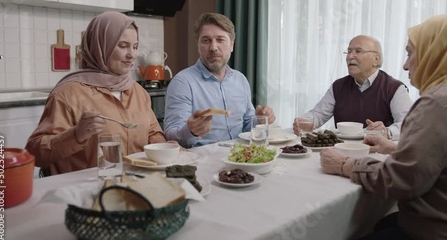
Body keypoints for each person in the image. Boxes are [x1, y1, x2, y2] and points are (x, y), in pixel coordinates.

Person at [321, 14, 447, 240]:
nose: (405, 64)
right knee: (379, 224)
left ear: (437, 52)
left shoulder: (439, 101)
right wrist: (397, 148)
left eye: (410, 53)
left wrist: (344, 165)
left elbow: (402, 181)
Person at [26, 11, 166, 176]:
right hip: (83, 191)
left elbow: (153, 134)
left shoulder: (139, 92)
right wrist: (76, 134)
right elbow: (34, 153)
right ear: (100, 47)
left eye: (134, 47)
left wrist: (165, 148)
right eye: (122, 45)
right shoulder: (67, 94)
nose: (132, 55)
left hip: (136, 186)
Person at [164, 13, 276, 148]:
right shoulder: (182, 82)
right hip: (202, 162)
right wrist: (191, 131)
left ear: (232, 45)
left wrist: (259, 121)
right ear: (198, 45)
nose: (213, 47)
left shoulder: (241, 80)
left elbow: (247, 129)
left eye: (220, 40)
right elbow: (171, 136)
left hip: (240, 158)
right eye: (206, 40)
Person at [293, 35, 412, 140]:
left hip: (376, 153)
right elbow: (319, 114)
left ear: (376, 59)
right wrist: (304, 121)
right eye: (349, 51)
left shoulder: (394, 88)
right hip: (341, 150)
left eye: (358, 51)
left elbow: (408, 125)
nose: (350, 56)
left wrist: (387, 132)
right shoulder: (339, 86)